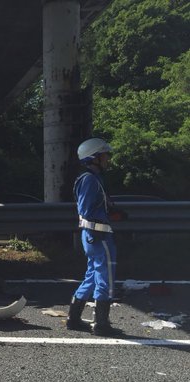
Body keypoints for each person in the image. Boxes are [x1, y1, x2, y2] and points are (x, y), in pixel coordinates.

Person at [66, 138, 126, 336]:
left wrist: (110, 210)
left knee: (92, 275)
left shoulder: (92, 178)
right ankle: (101, 324)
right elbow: (86, 209)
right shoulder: (90, 179)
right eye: (104, 155)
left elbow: (92, 207)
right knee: (105, 277)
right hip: (98, 235)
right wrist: (101, 221)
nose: (107, 158)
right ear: (94, 157)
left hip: (92, 235)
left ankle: (73, 319)